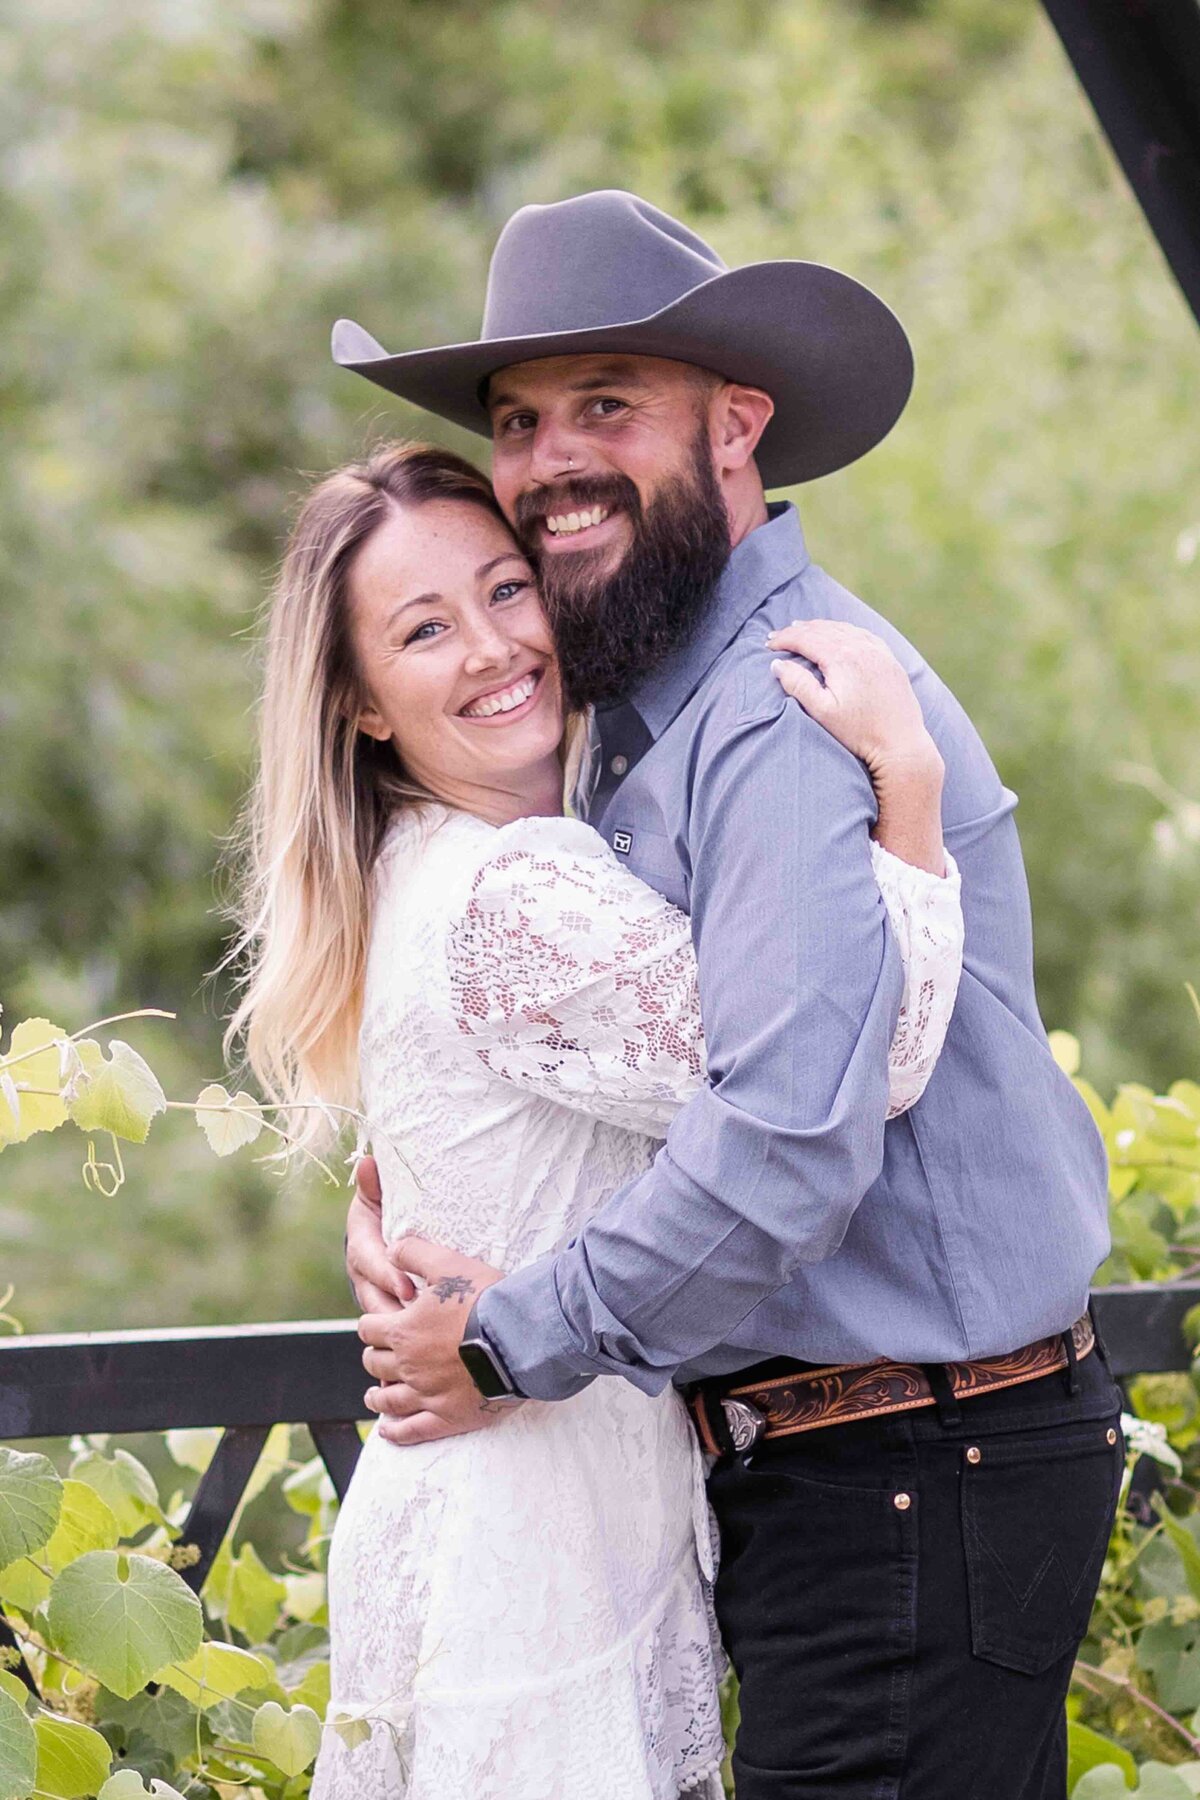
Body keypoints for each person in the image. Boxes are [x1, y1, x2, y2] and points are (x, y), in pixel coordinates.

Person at [339, 191, 1122, 1797]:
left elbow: (783, 1133)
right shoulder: (641, 705)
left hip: (914, 1459)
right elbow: (647, 1061)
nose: (551, 458)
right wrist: (421, 1188)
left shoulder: (778, 711)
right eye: (520, 419)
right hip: (854, 1466)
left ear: (737, 425)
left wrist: (502, 1341)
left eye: (607, 405)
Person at [225, 435, 962, 1798]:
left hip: (502, 1506)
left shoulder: (420, 864)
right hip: (535, 1543)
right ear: (362, 703)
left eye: (508, 591)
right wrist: (912, 801)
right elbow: (858, 1071)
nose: (497, 648)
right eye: (424, 629)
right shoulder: (515, 894)